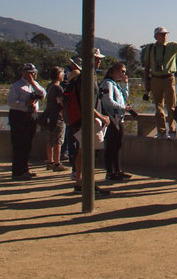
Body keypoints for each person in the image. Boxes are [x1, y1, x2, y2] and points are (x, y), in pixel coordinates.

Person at [65, 49, 110, 195]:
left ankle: (80, 181)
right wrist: (101, 117)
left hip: (83, 119)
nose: (98, 61)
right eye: (95, 58)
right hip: (87, 120)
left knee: (82, 150)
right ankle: (86, 182)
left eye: (98, 58)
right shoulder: (87, 77)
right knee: (88, 151)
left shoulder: (87, 76)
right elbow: (87, 102)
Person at [143, 26, 177, 139]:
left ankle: (172, 130)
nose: (165, 36)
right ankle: (161, 131)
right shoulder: (150, 48)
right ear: (156, 36)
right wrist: (146, 81)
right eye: (162, 34)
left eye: (165, 34)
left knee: (171, 106)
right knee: (158, 106)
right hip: (155, 78)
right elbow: (147, 66)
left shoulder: (171, 46)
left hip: (168, 78)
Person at [7, 63, 45, 180]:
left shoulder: (34, 85)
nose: (33, 75)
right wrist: (25, 103)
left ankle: (25, 169)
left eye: (34, 73)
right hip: (19, 116)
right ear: (24, 74)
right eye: (30, 73)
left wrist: (33, 83)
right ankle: (17, 172)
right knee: (19, 144)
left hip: (31, 115)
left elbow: (43, 94)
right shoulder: (17, 86)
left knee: (28, 144)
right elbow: (11, 102)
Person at [100, 62, 133, 181]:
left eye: (124, 72)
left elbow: (124, 97)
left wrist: (126, 84)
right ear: (112, 71)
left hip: (119, 118)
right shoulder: (107, 83)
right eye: (121, 71)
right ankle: (110, 172)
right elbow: (108, 101)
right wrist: (123, 108)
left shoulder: (116, 84)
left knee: (118, 145)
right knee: (111, 146)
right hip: (112, 118)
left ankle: (117, 170)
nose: (123, 74)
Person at [40, 66, 67, 172]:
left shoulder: (49, 86)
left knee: (50, 140)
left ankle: (50, 161)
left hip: (50, 116)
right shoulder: (58, 88)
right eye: (62, 73)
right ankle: (57, 163)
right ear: (58, 75)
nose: (63, 75)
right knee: (58, 141)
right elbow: (60, 103)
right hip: (57, 117)